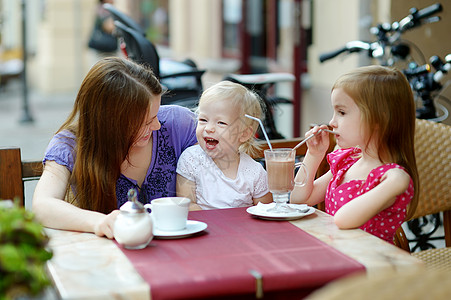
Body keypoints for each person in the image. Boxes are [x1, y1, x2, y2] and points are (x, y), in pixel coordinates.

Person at [32, 57, 197, 238]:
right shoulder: (70, 145)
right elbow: (42, 205)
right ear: (109, 123)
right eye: (145, 122)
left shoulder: (179, 125)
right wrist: (99, 222)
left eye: (156, 114)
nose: (157, 125)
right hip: (111, 257)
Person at [290, 65, 419, 244]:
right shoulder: (349, 160)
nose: (331, 122)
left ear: (377, 119)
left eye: (341, 112)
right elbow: (299, 200)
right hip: (338, 256)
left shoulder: (391, 178)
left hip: (370, 266)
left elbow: (342, 220)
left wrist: (396, 183)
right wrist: (314, 154)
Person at [176, 81, 272, 210]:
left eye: (221, 123)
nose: (209, 128)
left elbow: (266, 211)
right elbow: (187, 205)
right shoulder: (190, 160)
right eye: (203, 120)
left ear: (244, 134)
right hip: (205, 227)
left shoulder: (255, 173)